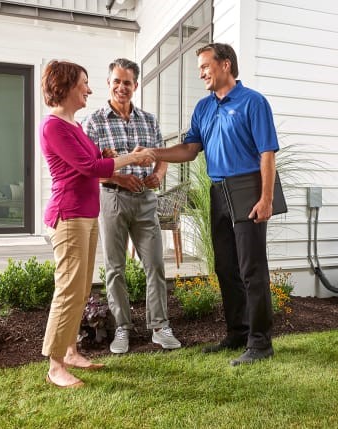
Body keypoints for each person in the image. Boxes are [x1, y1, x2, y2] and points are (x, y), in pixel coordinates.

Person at [146, 43, 279, 366]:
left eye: (206, 66)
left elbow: (267, 153)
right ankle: (238, 333)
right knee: (224, 267)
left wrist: (266, 198)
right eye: (200, 69)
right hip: (218, 192)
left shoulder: (253, 102)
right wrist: (154, 153)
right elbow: (191, 149)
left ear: (226, 65)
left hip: (248, 187)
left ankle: (260, 343)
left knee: (252, 269)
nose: (202, 73)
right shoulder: (204, 108)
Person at [40, 60, 155, 388]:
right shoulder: (53, 127)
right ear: (65, 87)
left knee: (81, 288)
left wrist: (107, 153)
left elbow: (94, 157)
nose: (89, 90)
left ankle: (72, 351)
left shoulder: (73, 125)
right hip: (69, 215)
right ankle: (55, 365)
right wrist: (130, 158)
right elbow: (90, 167)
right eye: (84, 84)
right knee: (68, 289)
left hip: (86, 214)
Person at [83, 58, 181, 354]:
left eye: (127, 82)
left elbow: (161, 154)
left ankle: (160, 326)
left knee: (155, 264)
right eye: (116, 81)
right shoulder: (95, 121)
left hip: (145, 201)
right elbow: (91, 165)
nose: (121, 87)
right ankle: (122, 327)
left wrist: (158, 174)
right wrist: (119, 178)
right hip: (111, 197)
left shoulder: (148, 120)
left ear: (135, 86)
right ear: (109, 83)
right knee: (115, 267)